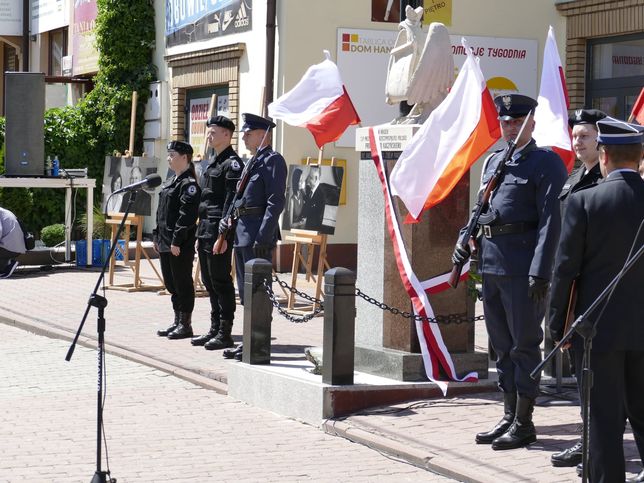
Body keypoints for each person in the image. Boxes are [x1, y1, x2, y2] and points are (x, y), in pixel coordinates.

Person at [452, 94, 567, 450]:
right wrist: (463, 239)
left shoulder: (545, 163)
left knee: (524, 345)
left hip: (522, 268)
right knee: (500, 346)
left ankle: (525, 421)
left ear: (531, 123)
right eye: (505, 122)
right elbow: (480, 210)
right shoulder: (494, 161)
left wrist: (540, 271)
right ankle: (507, 413)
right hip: (491, 264)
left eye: (517, 122)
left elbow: (551, 222)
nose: (511, 128)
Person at [548, 117, 644, 483]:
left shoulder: (585, 202)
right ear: (639, 157)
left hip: (597, 331)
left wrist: (557, 326)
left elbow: (564, 270)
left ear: (603, 156)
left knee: (603, 418)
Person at [548, 108, 606, 469]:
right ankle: (588, 441)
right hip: (570, 289)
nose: (577, 141)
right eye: (575, 135)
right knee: (582, 375)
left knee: (597, 377)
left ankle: (597, 446)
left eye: (584, 135)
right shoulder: (574, 177)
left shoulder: (604, 180)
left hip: (592, 289)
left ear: (601, 141)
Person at [219, 113, 287, 361]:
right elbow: (239, 198)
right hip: (242, 232)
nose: (244, 137)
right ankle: (248, 340)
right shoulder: (253, 161)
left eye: (249, 133)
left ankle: (258, 343)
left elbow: (275, 202)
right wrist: (227, 223)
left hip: (257, 235)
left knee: (258, 293)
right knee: (245, 293)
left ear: (263, 134)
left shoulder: (273, 161)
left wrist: (263, 236)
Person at [191, 115, 244, 350]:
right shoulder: (213, 161)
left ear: (226, 134)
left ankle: (225, 332)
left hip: (218, 230)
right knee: (208, 281)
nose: (209, 136)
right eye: (208, 132)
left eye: (214, 132)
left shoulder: (232, 163)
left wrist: (224, 235)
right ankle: (214, 328)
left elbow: (231, 201)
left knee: (221, 280)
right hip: (205, 228)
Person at [154, 141, 201, 340]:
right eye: (169, 154)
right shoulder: (172, 181)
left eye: (172, 155)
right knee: (171, 284)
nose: (169, 158)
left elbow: (186, 217)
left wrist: (176, 241)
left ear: (184, 158)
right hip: (165, 241)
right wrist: (156, 236)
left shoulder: (189, 185)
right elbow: (162, 213)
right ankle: (177, 320)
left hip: (179, 243)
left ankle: (185, 324)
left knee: (182, 282)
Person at [0, 206, 26, 278]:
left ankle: (7, 265)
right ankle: (6, 265)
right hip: (17, 247)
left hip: (10, 248)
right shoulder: (3, 211)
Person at [302, 166, 327, 231]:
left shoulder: (322, 195)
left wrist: (305, 221)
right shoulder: (308, 189)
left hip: (314, 230)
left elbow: (318, 218)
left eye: (310, 178)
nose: (307, 181)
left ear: (316, 178)